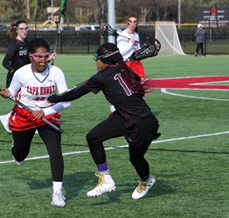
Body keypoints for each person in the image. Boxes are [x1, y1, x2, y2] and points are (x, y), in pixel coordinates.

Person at [48, 42, 161, 200]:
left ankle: (146, 180)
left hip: (142, 122)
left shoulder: (101, 77)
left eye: (97, 59)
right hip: (125, 117)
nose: (96, 63)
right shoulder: (124, 69)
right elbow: (136, 81)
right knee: (93, 137)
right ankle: (106, 179)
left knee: (136, 159)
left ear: (104, 61)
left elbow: (75, 94)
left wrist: (54, 98)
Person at [0, 38, 72, 207]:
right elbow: (12, 91)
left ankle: (57, 193)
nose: (43, 60)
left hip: (48, 116)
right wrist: (7, 93)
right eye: (39, 56)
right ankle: (15, 146)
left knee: (55, 152)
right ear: (31, 56)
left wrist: (45, 111)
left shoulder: (56, 73)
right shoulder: (21, 73)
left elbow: (67, 101)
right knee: (20, 154)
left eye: (46, 56)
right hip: (25, 115)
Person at [0, 20, 31, 134]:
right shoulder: (14, 45)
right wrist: (14, 71)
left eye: (26, 28)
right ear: (17, 30)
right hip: (15, 80)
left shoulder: (27, 44)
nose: (24, 31)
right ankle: (8, 118)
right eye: (22, 29)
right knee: (24, 102)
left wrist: (48, 59)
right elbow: (5, 62)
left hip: (26, 79)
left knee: (27, 101)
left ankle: (26, 123)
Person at [116, 14, 146, 80]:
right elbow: (120, 52)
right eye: (130, 21)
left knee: (142, 81)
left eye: (134, 22)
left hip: (136, 62)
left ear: (137, 23)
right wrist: (130, 43)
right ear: (128, 23)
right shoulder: (122, 35)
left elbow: (138, 50)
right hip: (126, 63)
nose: (132, 24)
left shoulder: (136, 35)